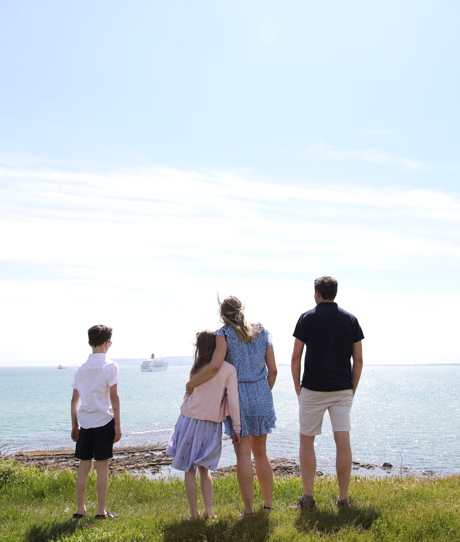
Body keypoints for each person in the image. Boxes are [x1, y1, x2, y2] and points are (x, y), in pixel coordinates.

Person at [186, 296, 277, 516]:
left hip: (238, 395)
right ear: (242, 310)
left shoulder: (223, 334)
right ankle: (268, 504)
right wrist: (263, 392)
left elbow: (216, 365)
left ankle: (248, 510)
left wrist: (192, 383)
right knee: (262, 453)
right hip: (262, 392)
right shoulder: (262, 332)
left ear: (222, 313)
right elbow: (273, 370)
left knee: (243, 454)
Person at [290, 276, 364, 510]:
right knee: (342, 440)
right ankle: (343, 499)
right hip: (342, 389)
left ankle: (308, 499)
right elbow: (359, 360)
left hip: (312, 389)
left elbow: (295, 357)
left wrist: (297, 387)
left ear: (317, 293)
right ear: (335, 292)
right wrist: (351, 388)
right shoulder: (350, 319)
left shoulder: (307, 318)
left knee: (307, 440)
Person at [167, 330, 241, 520]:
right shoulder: (229, 369)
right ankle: (209, 511)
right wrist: (237, 427)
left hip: (189, 421)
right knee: (204, 470)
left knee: (189, 470)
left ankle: (194, 514)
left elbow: (188, 395)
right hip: (211, 425)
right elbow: (233, 400)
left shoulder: (198, 368)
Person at [70, 324, 122, 520]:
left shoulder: (80, 369)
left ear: (90, 342)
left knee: (84, 466)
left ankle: (80, 509)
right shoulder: (110, 366)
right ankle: (101, 511)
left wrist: (74, 424)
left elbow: (75, 400)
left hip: (85, 421)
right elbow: (114, 398)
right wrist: (117, 424)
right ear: (107, 343)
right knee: (102, 466)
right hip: (104, 420)